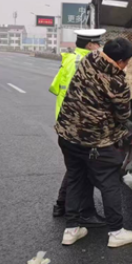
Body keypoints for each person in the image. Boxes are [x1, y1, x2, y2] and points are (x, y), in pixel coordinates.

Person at [56, 37, 132, 247]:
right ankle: (116, 232)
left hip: (67, 134)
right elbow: (123, 115)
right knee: (109, 183)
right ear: (121, 61)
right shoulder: (117, 82)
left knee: (76, 178)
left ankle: (72, 229)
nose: (127, 65)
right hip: (94, 142)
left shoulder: (89, 59)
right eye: (127, 61)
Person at [49, 29, 106, 226]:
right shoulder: (90, 63)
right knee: (85, 170)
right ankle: (84, 214)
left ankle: (62, 204)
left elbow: (55, 87)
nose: (100, 46)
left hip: (65, 124)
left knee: (75, 169)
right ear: (90, 45)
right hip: (80, 126)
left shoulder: (69, 59)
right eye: (98, 43)